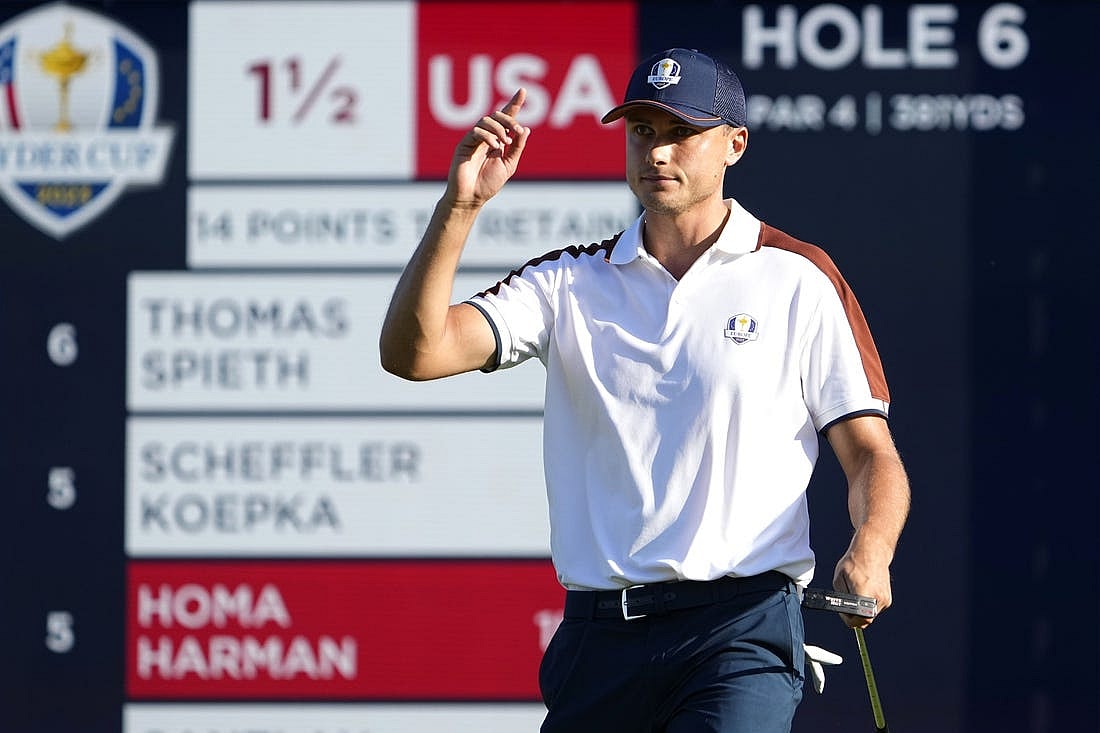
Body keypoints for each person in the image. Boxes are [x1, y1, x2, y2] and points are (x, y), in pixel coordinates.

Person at [380, 47, 910, 733]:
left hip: (739, 630)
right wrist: (460, 206)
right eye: (642, 132)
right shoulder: (568, 280)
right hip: (599, 638)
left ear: (734, 144)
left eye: (681, 132)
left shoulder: (798, 277)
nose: (658, 152)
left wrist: (872, 545)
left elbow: (872, 453)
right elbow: (415, 354)